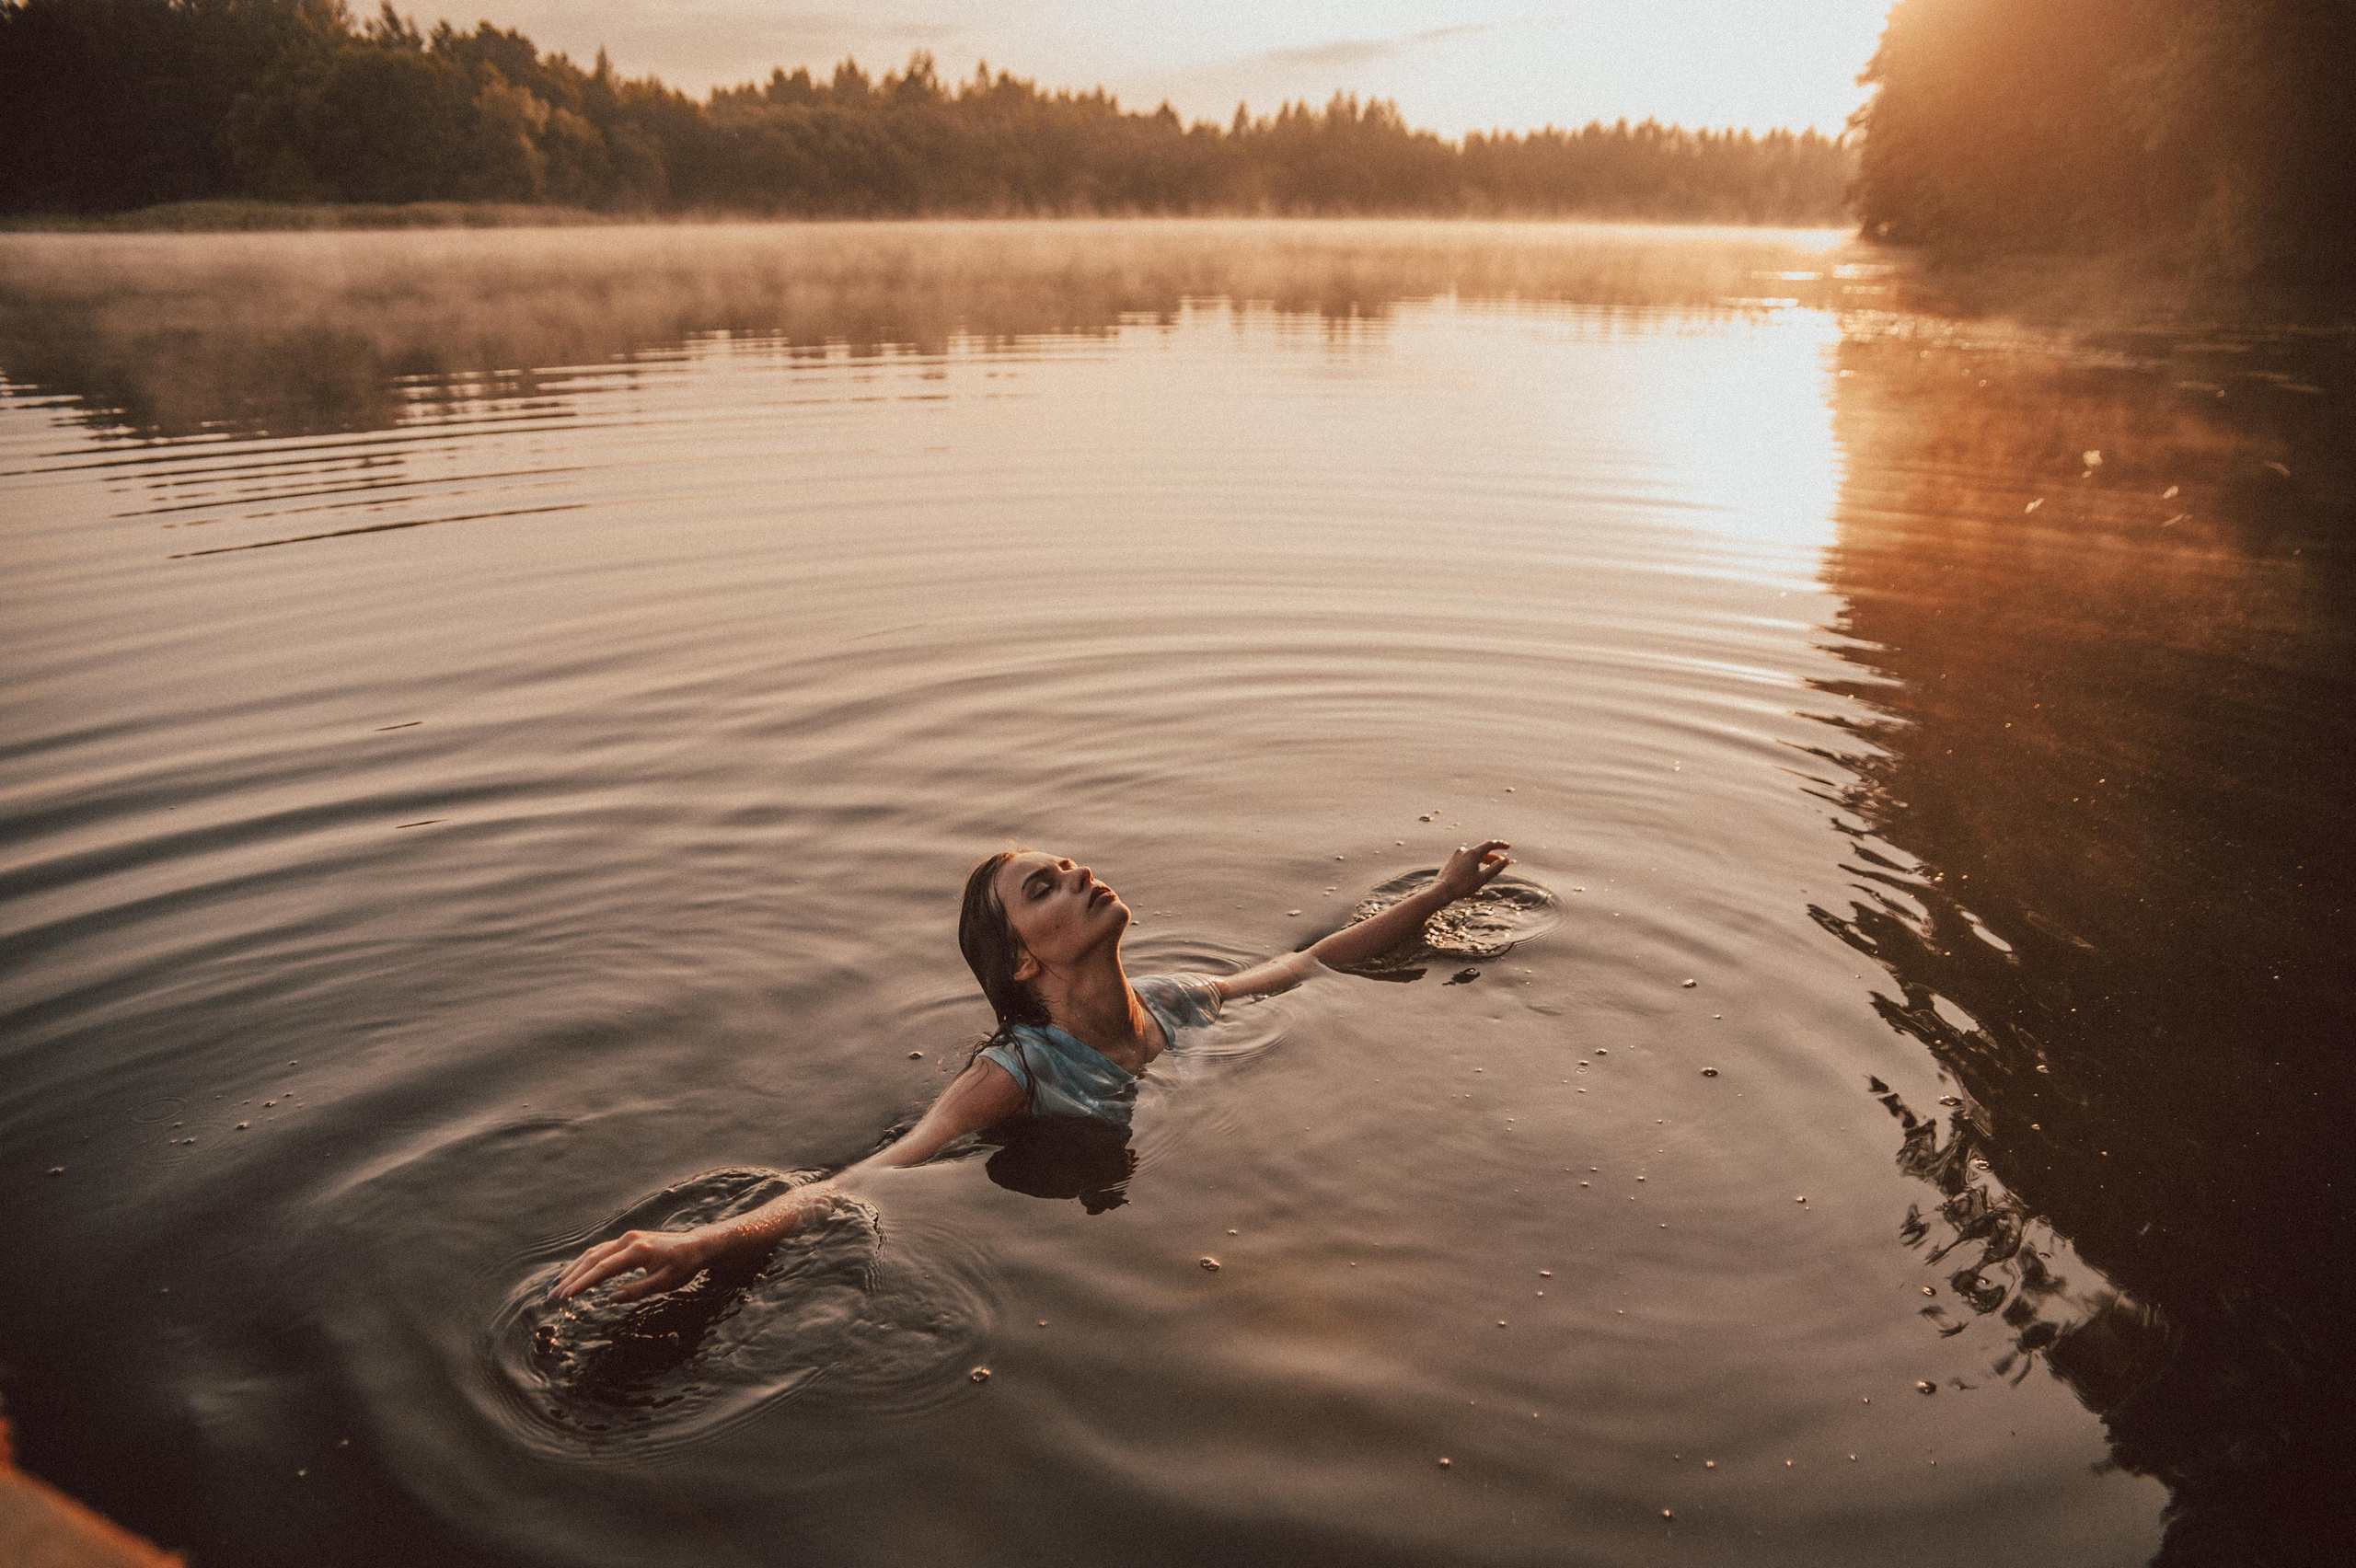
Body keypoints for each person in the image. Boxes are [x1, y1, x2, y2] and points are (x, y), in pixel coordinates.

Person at [550, 839, 1513, 1304]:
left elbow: (1314, 962)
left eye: (1067, 865)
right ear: (1022, 961)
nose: (1079, 875)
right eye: (1042, 888)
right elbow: (878, 1171)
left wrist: (1437, 893)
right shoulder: (1014, 1072)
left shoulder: (1177, 1001)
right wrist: (707, 1241)